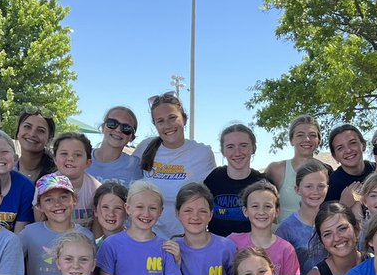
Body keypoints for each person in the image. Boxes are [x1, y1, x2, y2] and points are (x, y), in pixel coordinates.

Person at [134, 92, 216, 237]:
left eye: (172, 118)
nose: (167, 125)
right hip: (148, 237)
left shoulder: (202, 153)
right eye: (160, 121)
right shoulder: (144, 148)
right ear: (155, 125)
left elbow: (214, 192)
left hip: (186, 238)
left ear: (184, 119)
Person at [230, 181, 300, 275]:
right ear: (245, 211)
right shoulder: (232, 242)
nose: (261, 211)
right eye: (255, 206)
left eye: (268, 206)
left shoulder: (286, 249)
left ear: (277, 211)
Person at [171, 182, 235, 275]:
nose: (195, 216)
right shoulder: (173, 248)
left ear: (211, 215)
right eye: (188, 210)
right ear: (177, 213)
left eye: (202, 211)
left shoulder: (226, 247)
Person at [20, 173, 92, 275]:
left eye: (63, 197)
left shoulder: (86, 236)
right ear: (39, 206)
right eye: (48, 199)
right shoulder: (29, 233)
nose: (57, 203)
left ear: (74, 200)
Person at [205, 124, 266, 236]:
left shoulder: (263, 184)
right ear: (223, 151)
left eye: (243, 145)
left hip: (252, 251)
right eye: (230, 147)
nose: (237, 153)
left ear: (253, 148)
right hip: (219, 251)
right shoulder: (212, 179)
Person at [276, 159, 331, 275]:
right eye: (308, 186)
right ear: (297, 189)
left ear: (327, 188)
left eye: (321, 186)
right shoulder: (286, 229)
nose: (315, 192)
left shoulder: (333, 222)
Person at [264, 115, 321, 220]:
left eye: (312, 135)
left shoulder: (326, 171)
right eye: (300, 135)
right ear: (291, 140)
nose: (307, 139)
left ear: (318, 140)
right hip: (283, 235)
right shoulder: (276, 170)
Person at [51, 132, 102, 228]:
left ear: (88, 162)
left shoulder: (96, 189)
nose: (70, 158)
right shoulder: (43, 185)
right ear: (55, 160)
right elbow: (40, 221)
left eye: (78, 155)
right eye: (64, 153)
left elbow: (98, 228)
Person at [89, 106, 143, 184]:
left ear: (132, 137)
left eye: (126, 128)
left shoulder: (135, 166)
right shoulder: (81, 156)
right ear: (103, 127)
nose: (118, 130)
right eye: (112, 123)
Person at [326, 124, 375, 204]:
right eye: (340, 148)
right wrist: (343, 205)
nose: (348, 150)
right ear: (335, 156)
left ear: (364, 145)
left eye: (352, 143)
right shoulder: (332, 184)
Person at [14, 108, 56, 184]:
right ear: (18, 132)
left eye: (41, 130)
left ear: (49, 140)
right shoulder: (5, 170)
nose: (32, 134)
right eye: (27, 127)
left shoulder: (57, 176)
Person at [91, 181, 129, 246]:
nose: (111, 214)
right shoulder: (93, 247)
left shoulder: (134, 243)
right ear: (95, 210)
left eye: (118, 208)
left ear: (127, 212)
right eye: (105, 207)